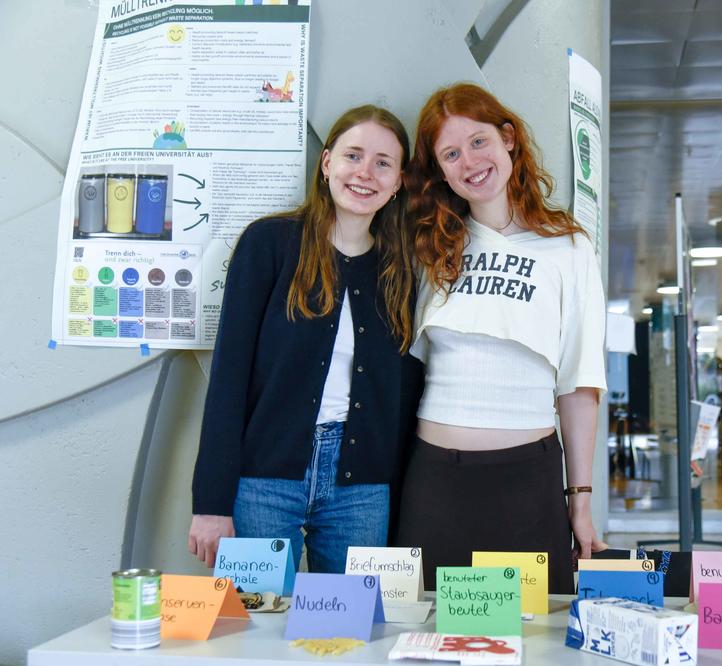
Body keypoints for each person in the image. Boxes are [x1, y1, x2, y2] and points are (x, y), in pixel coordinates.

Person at [188, 105, 422, 572]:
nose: (365, 173)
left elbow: (403, 401)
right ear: (327, 162)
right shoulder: (269, 244)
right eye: (353, 156)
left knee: (353, 634)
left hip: (362, 490)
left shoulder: (401, 271)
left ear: (398, 181)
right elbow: (228, 378)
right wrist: (210, 503)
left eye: (383, 163)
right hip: (264, 481)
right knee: (256, 629)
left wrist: (399, 508)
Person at [395, 83, 607, 593]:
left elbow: (579, 384)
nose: (469, 161)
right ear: (441, 170)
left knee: (530, 640)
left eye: (479, 141)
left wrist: (579, 498)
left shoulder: (569, 246)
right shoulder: (429, 248)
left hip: (525, 484)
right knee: (426, 635)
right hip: (435, 483)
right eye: (451, 153)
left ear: (508, 139)